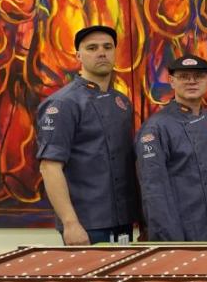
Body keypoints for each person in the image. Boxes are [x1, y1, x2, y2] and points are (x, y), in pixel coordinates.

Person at [36, 25, 139, 245]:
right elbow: (49, 167)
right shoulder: (63, 104)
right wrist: (70, 223)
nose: (101, 52)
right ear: (78, 55)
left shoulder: (122, 102)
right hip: (86, 225)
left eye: (107, 47)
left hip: (122, 222)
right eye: (92, 48)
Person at [135, 54, 207, 241]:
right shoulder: (156, 127)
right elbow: (154, 191)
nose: (192, 81)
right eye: (184, 77)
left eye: (198, 76)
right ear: (172, 81)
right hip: (180, 234)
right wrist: (170, 239)